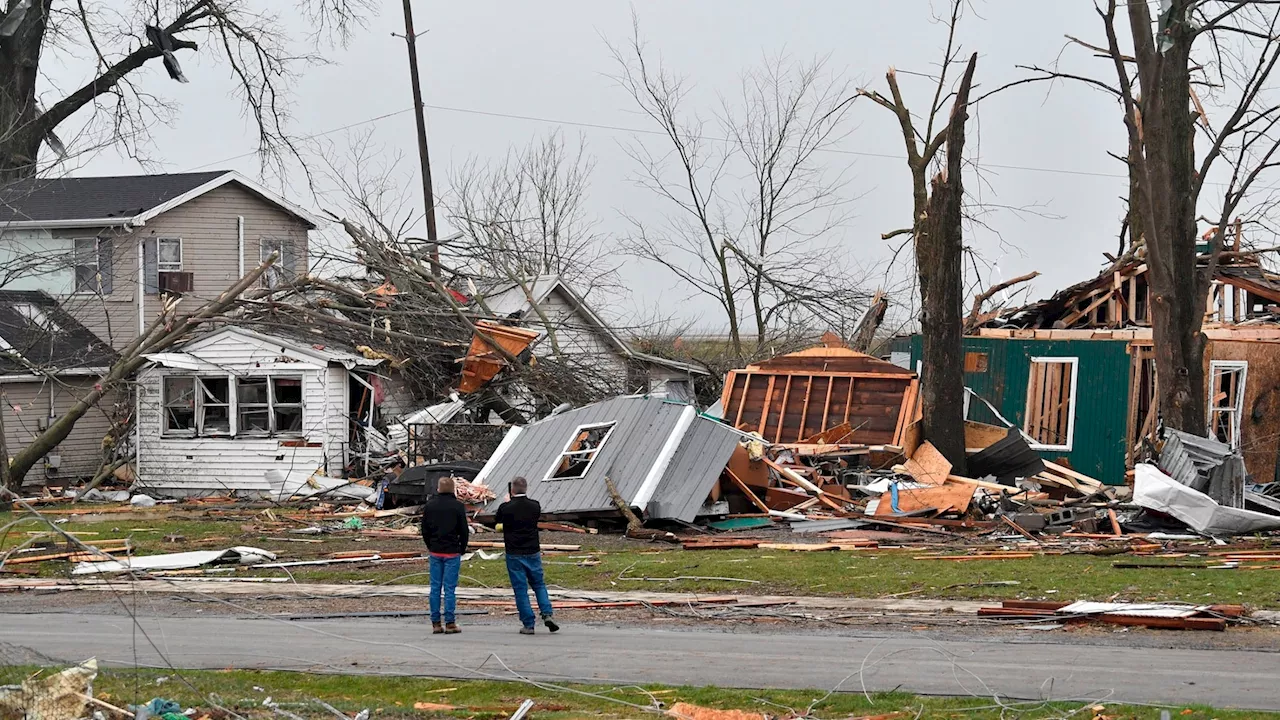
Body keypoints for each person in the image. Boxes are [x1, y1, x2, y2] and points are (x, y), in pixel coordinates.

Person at [495, 476, 558, 635]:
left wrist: (507, 502)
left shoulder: (505, 507)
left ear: (512, 489)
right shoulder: (535, 506)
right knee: (539, 584)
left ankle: (528, 624)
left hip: (514, 552)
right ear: (526, 488)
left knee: (520, 589)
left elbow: (497, 521)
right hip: (532, 550)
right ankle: (547, 613)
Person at [421, 475, 469, 634]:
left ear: (438, 489)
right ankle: (450, 622)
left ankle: (435, 623)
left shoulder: (430, 506)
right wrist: (462, 547)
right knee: (449, 589)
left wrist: (430, 545)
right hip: (452, 551)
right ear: (453, 489)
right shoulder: (458, 506)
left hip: (435, 550)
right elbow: (463, 530)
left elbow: (424, 530)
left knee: (435, 588)